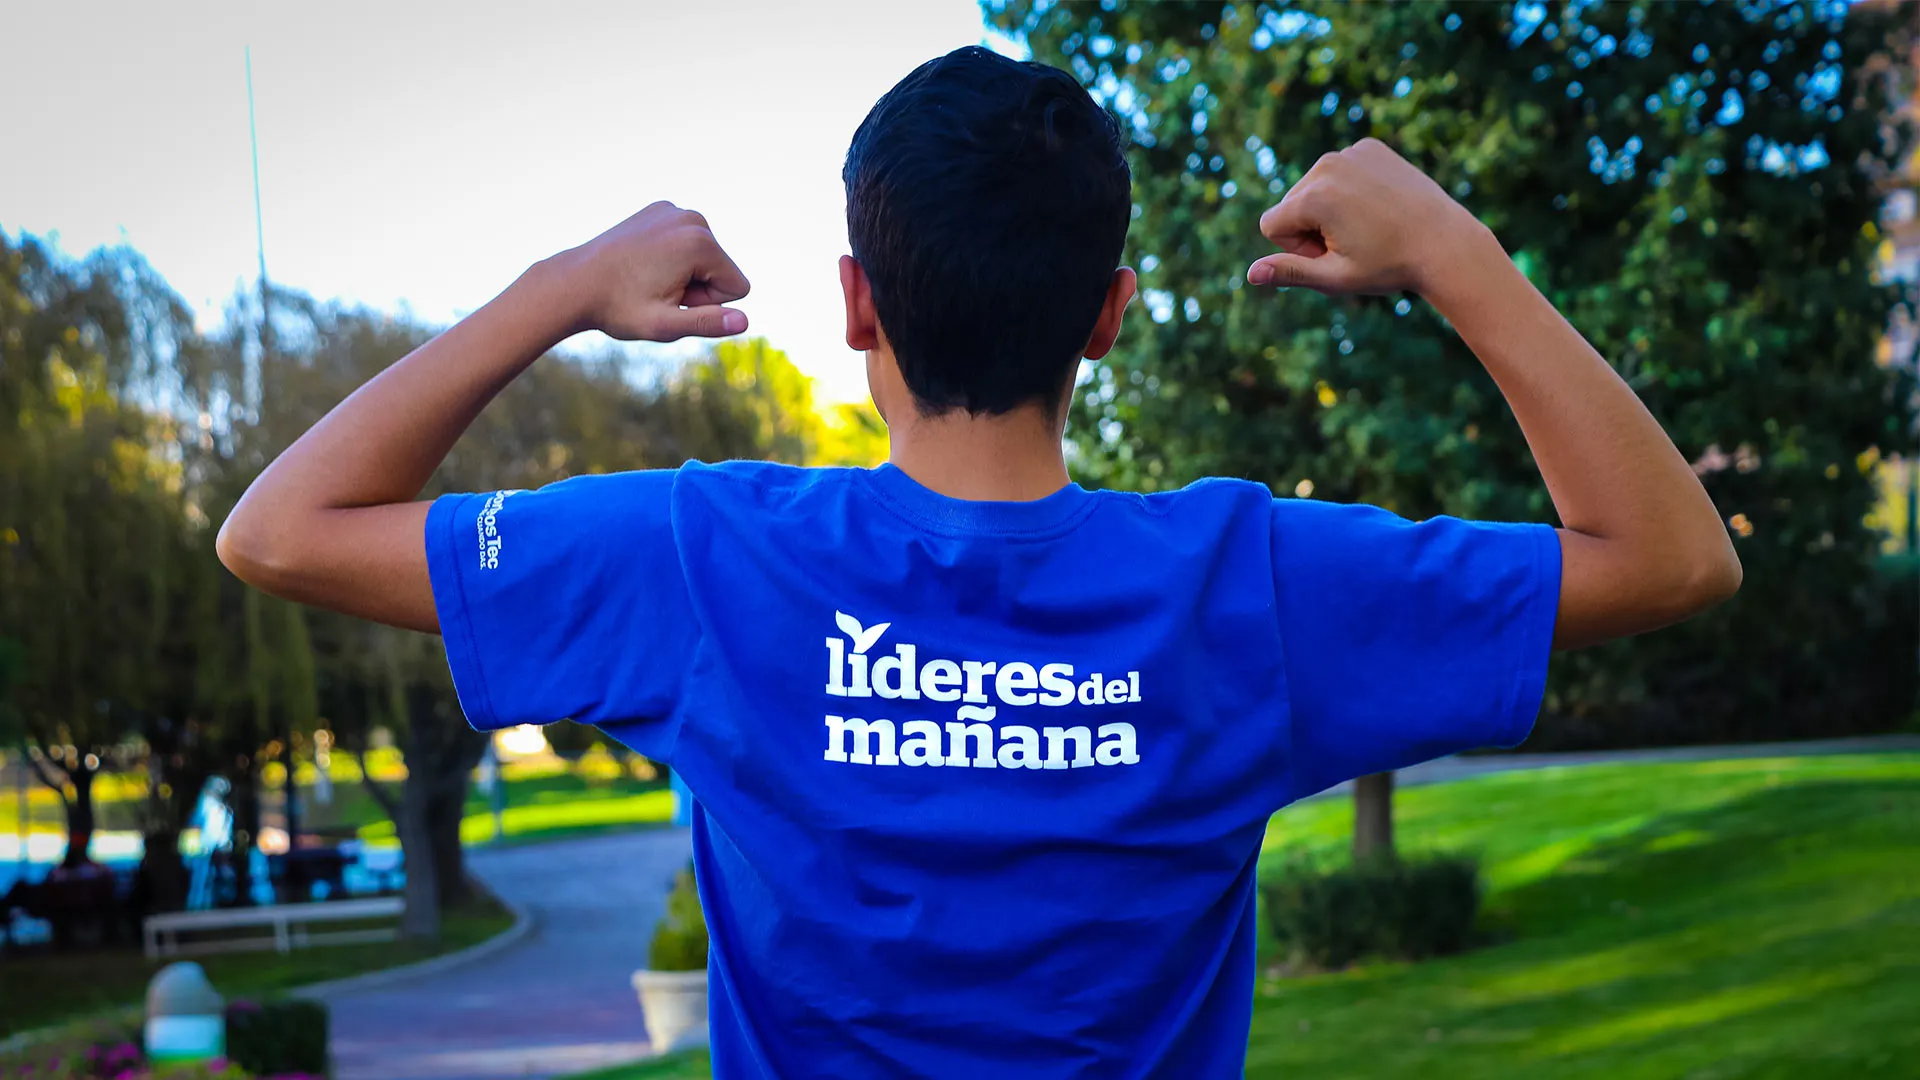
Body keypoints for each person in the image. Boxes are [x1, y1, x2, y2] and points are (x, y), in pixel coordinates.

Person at [218, 45, 1739, 1080]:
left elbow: (280, 531)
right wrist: (1452, 254)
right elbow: (1672, 560)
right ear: (1112, 314)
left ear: (856, 304)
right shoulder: (1251, 585)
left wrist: (561, 290)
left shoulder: (705, 559)